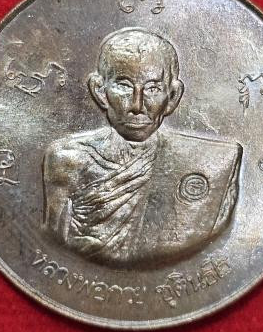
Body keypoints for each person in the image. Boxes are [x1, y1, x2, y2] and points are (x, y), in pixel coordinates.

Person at [42, 27, 242, 268]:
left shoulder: (213, 163)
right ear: (100, 91)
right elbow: (51, 247)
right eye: (124, 86)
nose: (137, 106)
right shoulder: (68, 160)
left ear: (173, 97)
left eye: (153, 89)